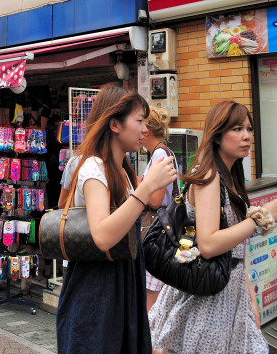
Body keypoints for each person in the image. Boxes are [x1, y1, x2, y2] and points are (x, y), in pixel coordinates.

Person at [149, 100, 277, 354]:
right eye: (237, 129)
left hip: (225, 291)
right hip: (207, 296)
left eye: (249, 128)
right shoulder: (209, 177)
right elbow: (210, 244)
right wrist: (260, 219)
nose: (246, 136)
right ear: (218, 135)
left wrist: (248, 298)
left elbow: (232, 250)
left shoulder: (230, 177)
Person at [56, 83, 177, 354]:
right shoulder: (93, 167)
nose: (145, 129)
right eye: (139, 121)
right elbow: (102, 236)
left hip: (121, 286)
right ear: (114, 125)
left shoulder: (122, 170)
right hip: (96, 291)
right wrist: (146, 188)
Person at [141, 106, 180, 313]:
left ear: (146, 130)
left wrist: (139, 191)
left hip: (156, 232)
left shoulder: (159, 155)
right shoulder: (162, 153)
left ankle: (151, 344)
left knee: (151, 305)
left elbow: (155, 200)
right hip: (164, 232)